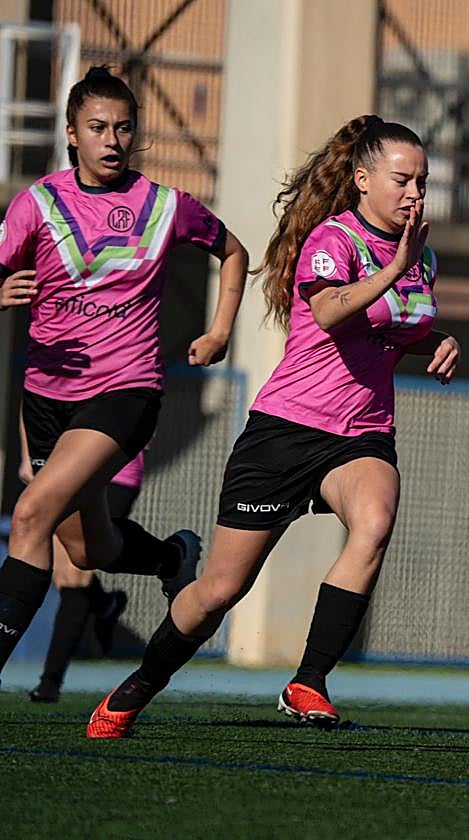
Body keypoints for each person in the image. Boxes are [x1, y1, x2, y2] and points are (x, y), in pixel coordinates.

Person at [86, 115, 461, 738]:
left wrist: (440, 341)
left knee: (375, 522)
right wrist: (397, 268)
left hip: (361, 432)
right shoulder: (332, 241)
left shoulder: (422, 256)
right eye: (403, 179)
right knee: (219, 590)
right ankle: (136, 688)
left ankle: (309, 681)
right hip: (285, 431)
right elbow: (333, 311)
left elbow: (397, 332)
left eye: (422, 180)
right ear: (363, 180)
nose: (415, 193)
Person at [0, 66, 248, 686]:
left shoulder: (164, 206)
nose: (112, 139)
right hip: (46, 396)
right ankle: (171, 556)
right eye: (97, 127)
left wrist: (219, 331)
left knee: (30, 514)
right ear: (71, 134)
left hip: (124, 393)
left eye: (123, 128)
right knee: (86, 548)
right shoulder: (39, 203)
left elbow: (235, 251)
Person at [17, 416, 141, 702]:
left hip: (116, 470)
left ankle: (50, 682)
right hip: (62, 466)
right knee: (67, 575)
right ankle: (105, 604)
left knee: (77, 572)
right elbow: (34, 393)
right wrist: (28, 455)